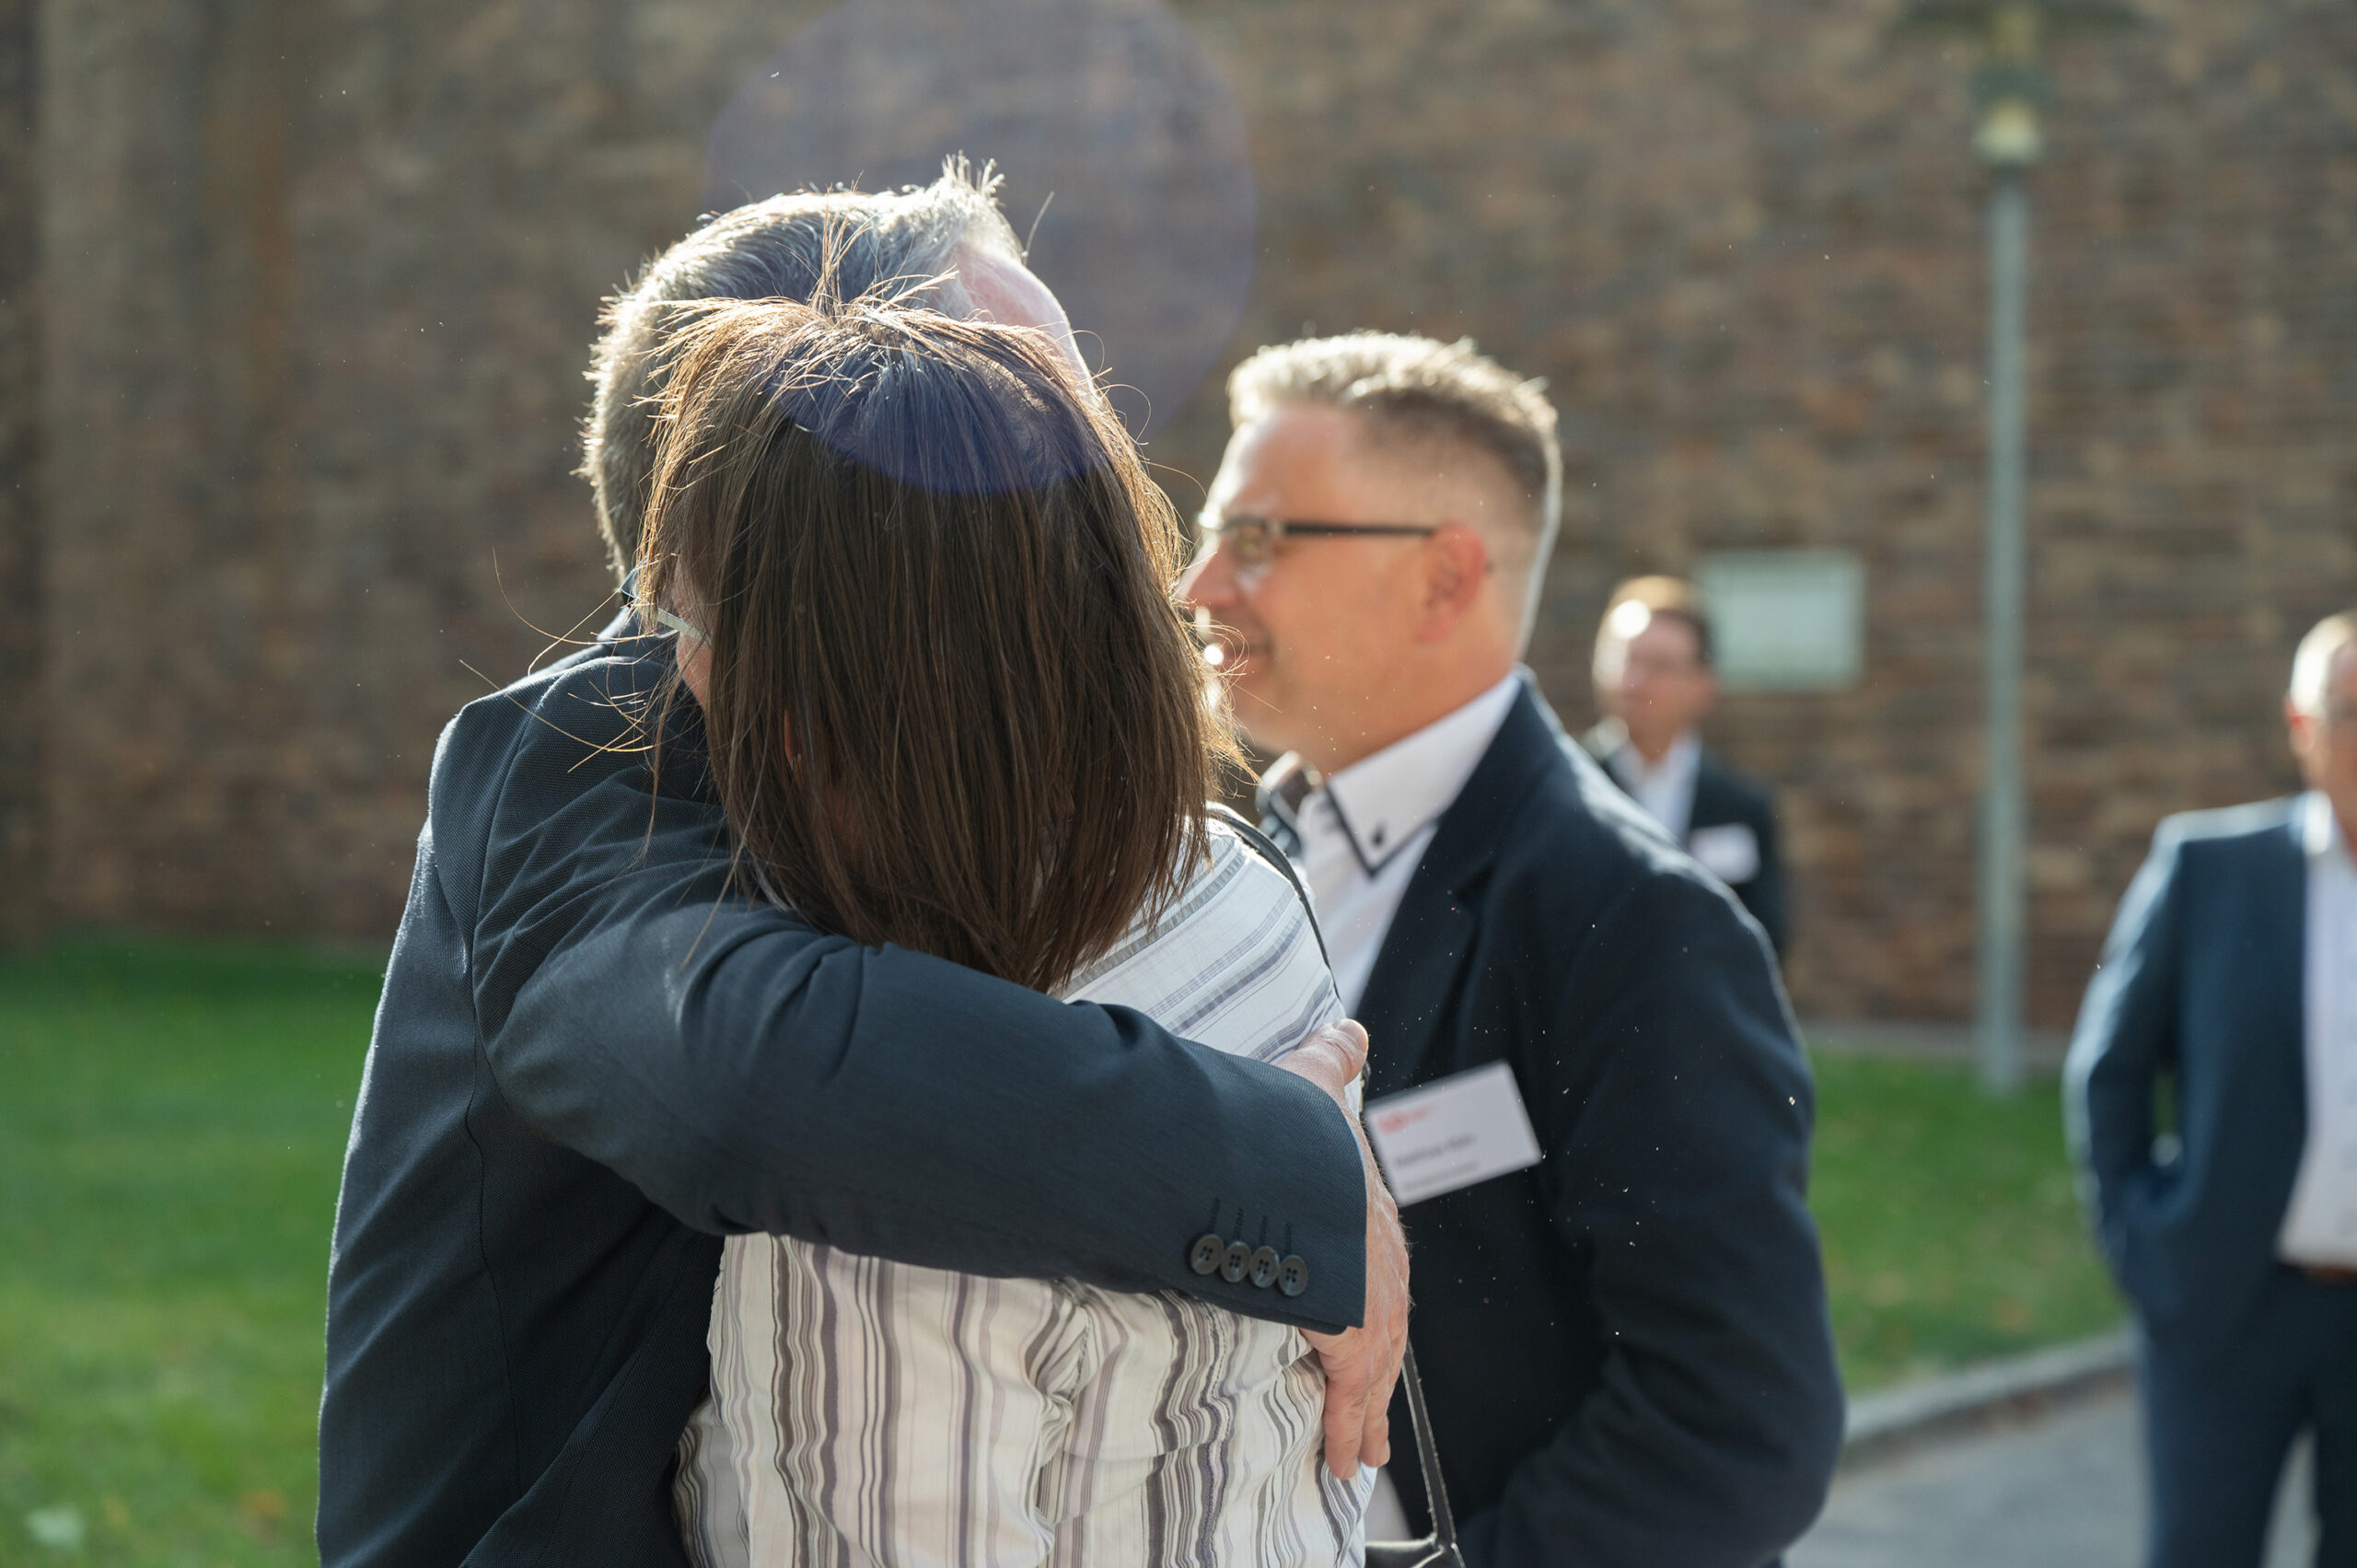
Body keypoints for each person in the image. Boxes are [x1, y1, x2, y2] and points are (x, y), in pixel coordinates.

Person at [318, 165, 1407, 1568]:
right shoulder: (590, 747)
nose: (1098, 426)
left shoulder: (1137, 831)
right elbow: (747, 1078)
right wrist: (1291, 1164)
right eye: (1019, 377)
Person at [642, 295, 1370, 1563]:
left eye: (689, 623)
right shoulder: (1232, 880)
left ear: (822, 685)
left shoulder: (890, 1147)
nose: (676, 673)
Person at [1179, 331, 1843, 1567]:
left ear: (1445, 578)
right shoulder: (1228, 852)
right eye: (1210, 533)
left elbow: (1740, 1424)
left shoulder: (1636, 921)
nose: (1200, 583)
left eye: (1261, 537)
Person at [2066, 609, 2357, 1568]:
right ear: (2300, 725)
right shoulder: (2208, 868)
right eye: (2351, 710)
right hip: (2229, 1303)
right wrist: (2144, 1241)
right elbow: (2108, 1069)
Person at [1581, 575, 1788, 952]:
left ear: (1704, 685)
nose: (1635, 682)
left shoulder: (1739, 807)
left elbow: (1766, 941)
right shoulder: (1564, 788)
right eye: (1626, 660)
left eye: (1659, 666)